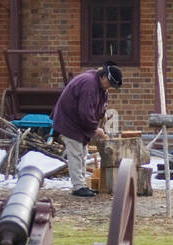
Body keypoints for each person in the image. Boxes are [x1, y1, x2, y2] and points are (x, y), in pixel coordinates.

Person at [51, 63, 123, 196]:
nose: (110, 87)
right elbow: (85, 112)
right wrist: (95, 128)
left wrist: (102, 115)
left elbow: (98, 107)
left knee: (82, 153)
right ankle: (78, 187)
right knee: (76, 154)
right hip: (69, 121)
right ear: (104, 77)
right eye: (110, 83)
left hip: (78, 122)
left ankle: (82, 184)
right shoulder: (89, 85)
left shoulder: (100, 87)